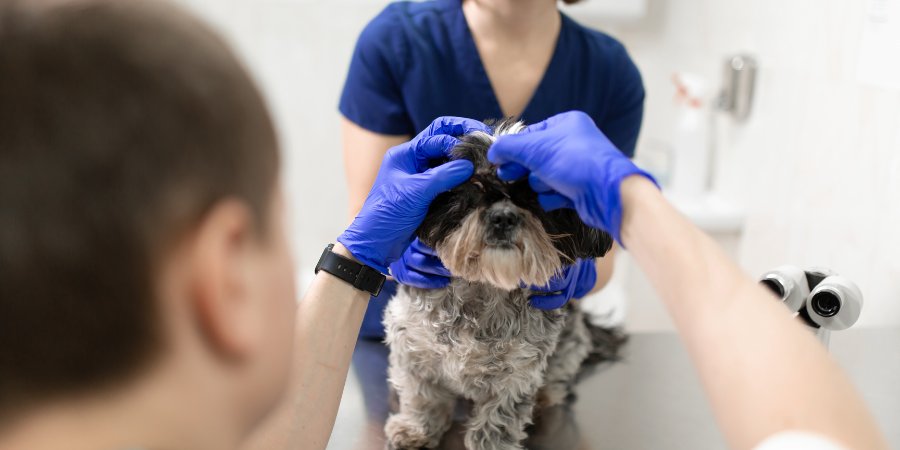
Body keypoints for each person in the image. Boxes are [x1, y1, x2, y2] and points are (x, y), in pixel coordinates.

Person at [0, 2, 888, 450]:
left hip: (529, 327)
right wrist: (644, 207)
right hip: (411, 322)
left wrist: (587, 261)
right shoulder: (399, 39)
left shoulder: (607, 69)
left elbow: (597, 263)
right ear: (225, 273)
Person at [340, 0, 646, 337]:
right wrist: (395, 252)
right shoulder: (396, 41)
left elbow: (606, 248)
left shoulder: (610, 72)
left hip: (529, 337)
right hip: (406, 327)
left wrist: (581, 270)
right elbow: (368, 212)